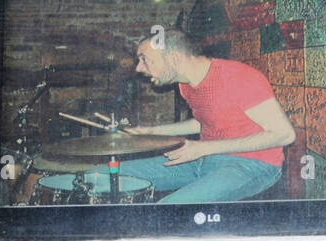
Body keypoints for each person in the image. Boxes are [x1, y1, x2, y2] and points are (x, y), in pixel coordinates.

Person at [111, 29, 295, 203]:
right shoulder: (186, 84)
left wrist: (203, 148)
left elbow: (284, 135)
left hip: (252, 164)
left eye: (144, 59)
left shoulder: (236, 77)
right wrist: (150, 131)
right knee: (104, 176)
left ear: (174, 58)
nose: (138, 68)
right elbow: (206, 121)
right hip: (203, 159)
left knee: (167, 210)